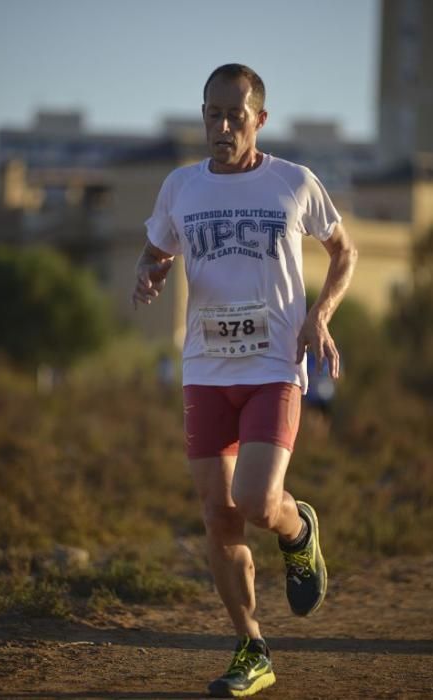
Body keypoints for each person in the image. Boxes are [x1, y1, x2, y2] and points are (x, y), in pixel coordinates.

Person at [132, 63, 358, 698]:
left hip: (272, 367)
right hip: (204, 370)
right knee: (217, 515)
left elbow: (346, 251)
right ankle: (252, 647)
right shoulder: (180, 187)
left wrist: (319, 315)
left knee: (258, 503)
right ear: (202, 115)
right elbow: (158, 250)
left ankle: (298, 530)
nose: (222, 127)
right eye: (212, 115)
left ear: (260, 118)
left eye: (236, 116)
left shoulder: (294, 183)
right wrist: (147, 273)